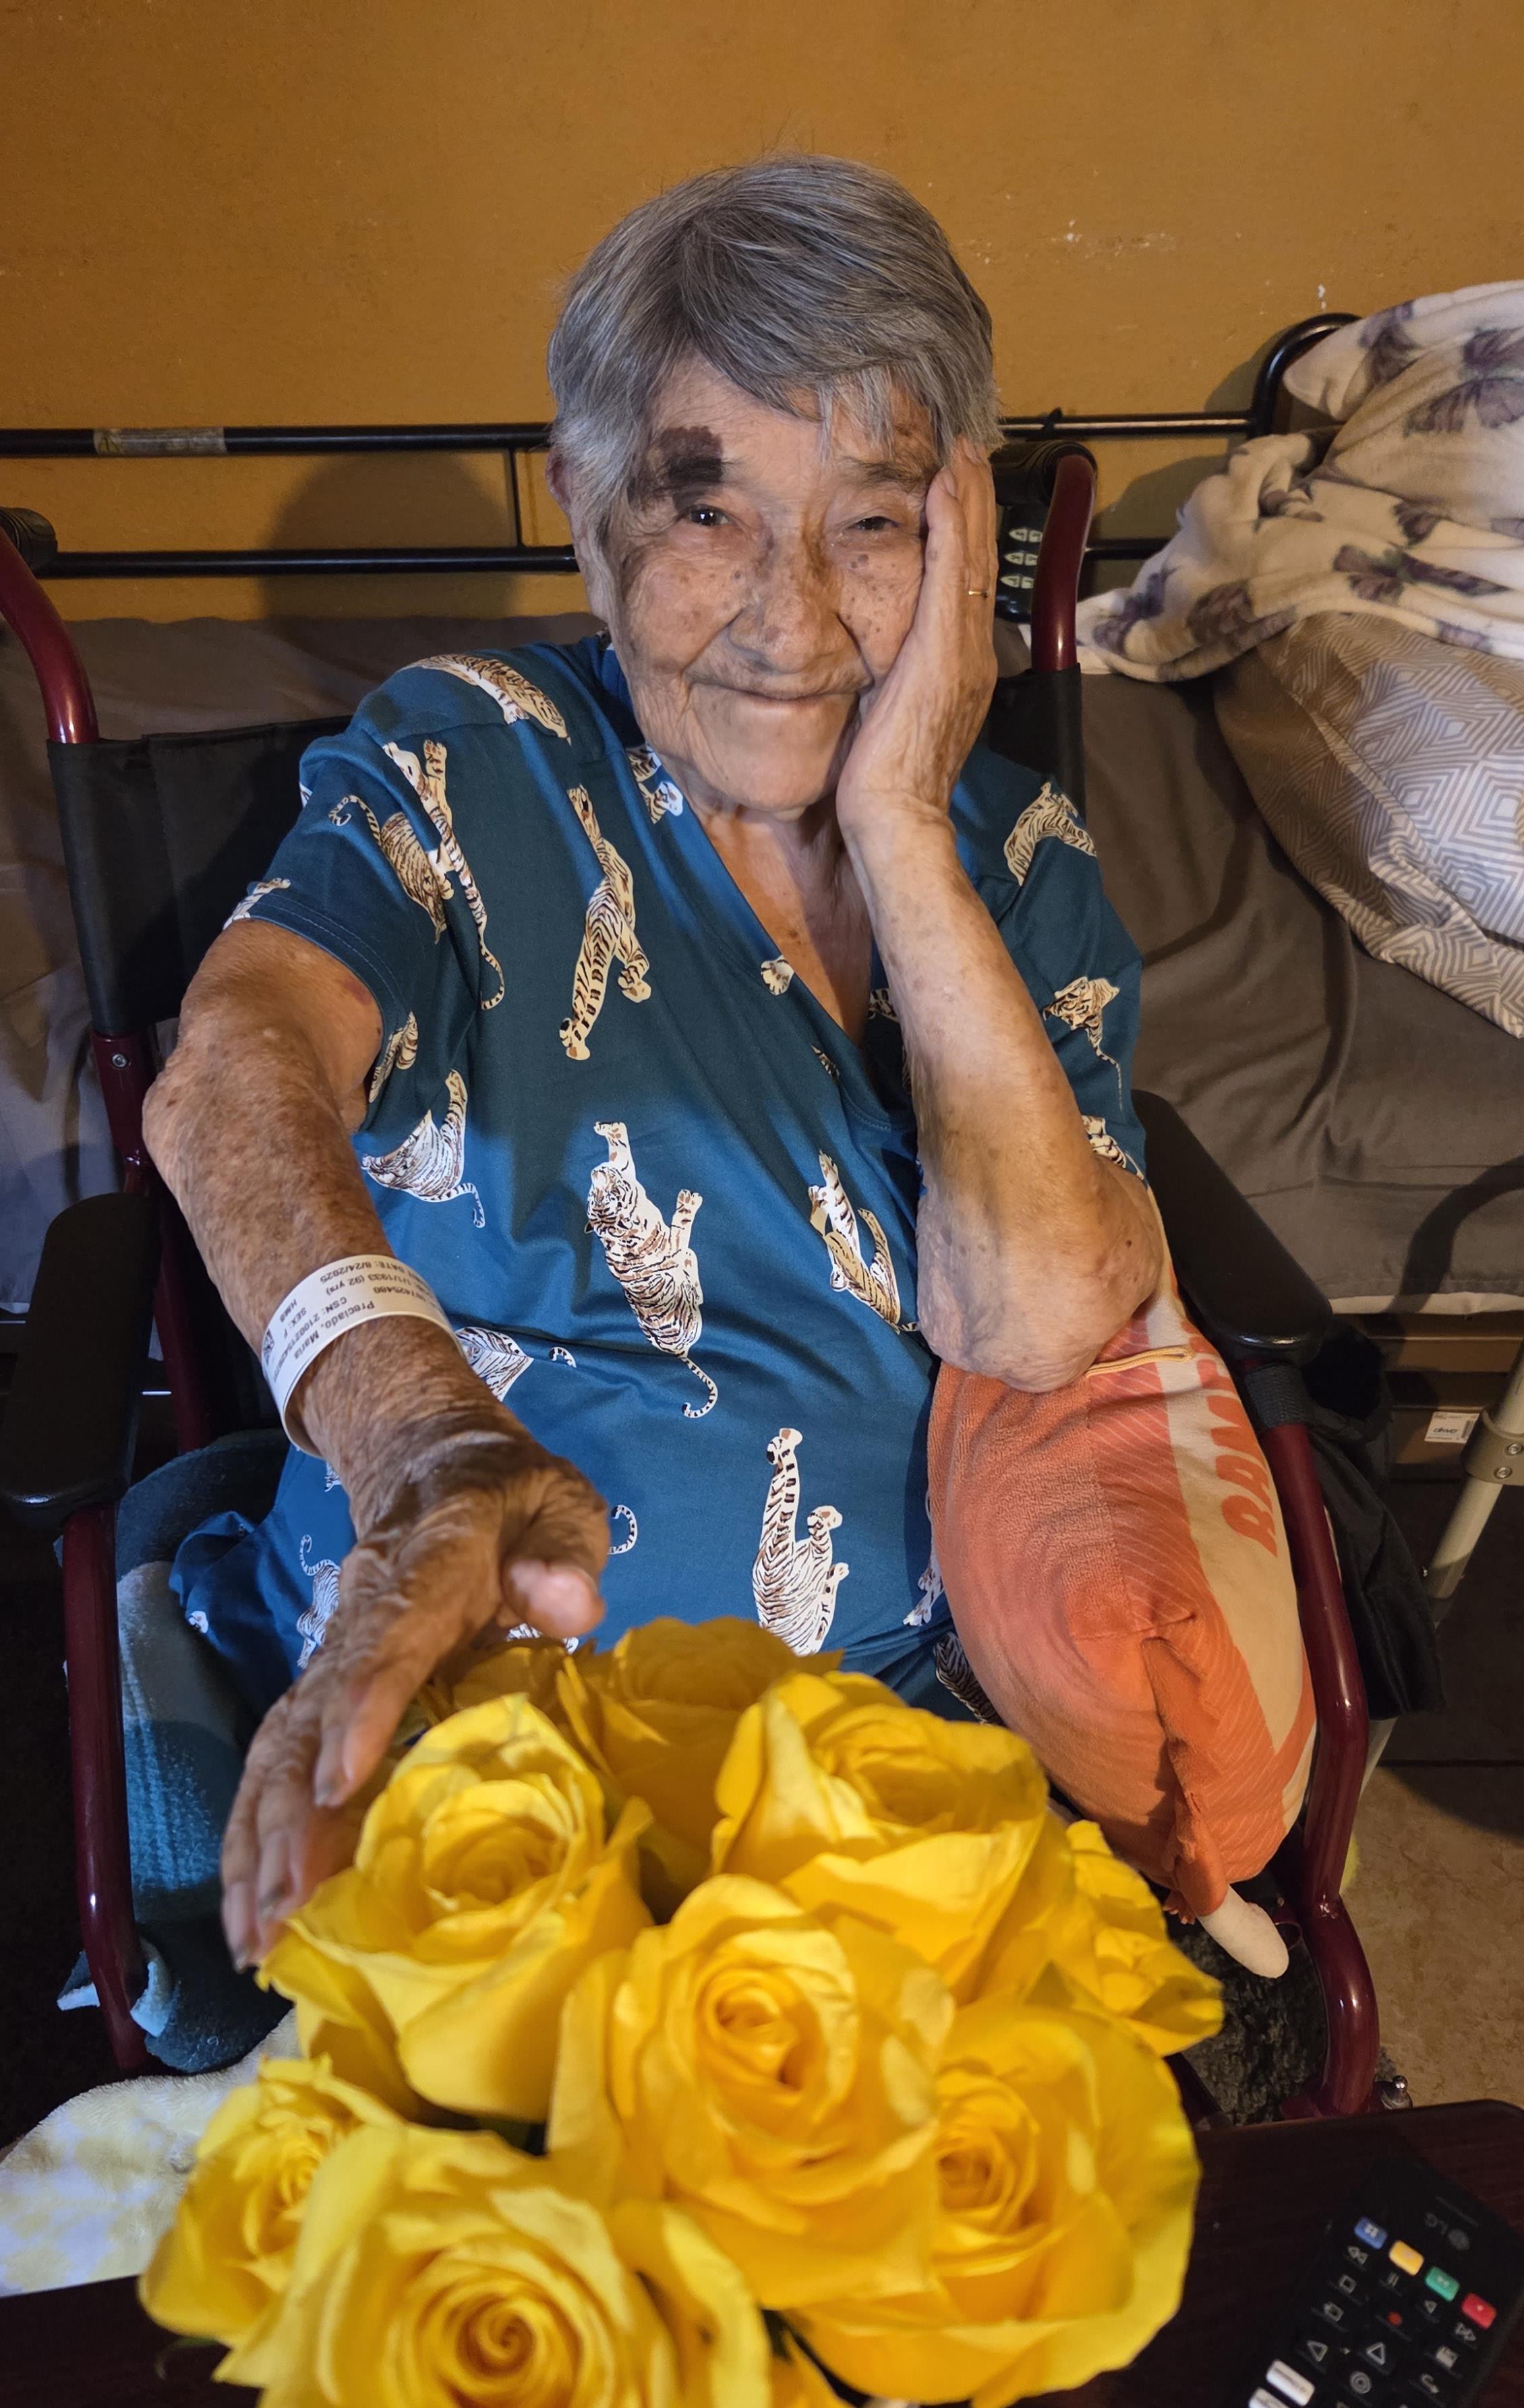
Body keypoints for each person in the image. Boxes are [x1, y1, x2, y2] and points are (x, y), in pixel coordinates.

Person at [144, 154, 1162, 1973]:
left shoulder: (1019, 864)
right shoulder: (474, 760)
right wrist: (424, 1444)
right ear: (589, 506)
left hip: (899, 1753)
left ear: (959, 538)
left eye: (872, 524)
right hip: (498, 1719)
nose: (795, 621)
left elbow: (1033, 1317)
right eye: (709, 517)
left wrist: (906, 821)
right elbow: (232, 1066)